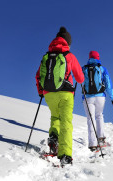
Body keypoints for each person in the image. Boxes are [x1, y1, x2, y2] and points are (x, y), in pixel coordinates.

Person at [35, 27, 84, 166]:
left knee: (55, 116)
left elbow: (38, 75)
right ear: (67, 42)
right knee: (66, 122)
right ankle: (65, 155)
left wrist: (40, 91)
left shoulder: (47, 56)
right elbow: (80, 78)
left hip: (49, 94)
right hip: (66, 94)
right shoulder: (69, 56)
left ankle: (53, 139)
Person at [82, 51, 113, 151]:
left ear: (89, 58)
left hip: (87, 97)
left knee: (90, 118)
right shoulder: (102, 69)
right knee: (99, 115)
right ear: (98, 58)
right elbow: (108, 85)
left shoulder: (84, 68)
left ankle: (92, 144)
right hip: (100, 97)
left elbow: (78, 79)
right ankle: (101, 139)